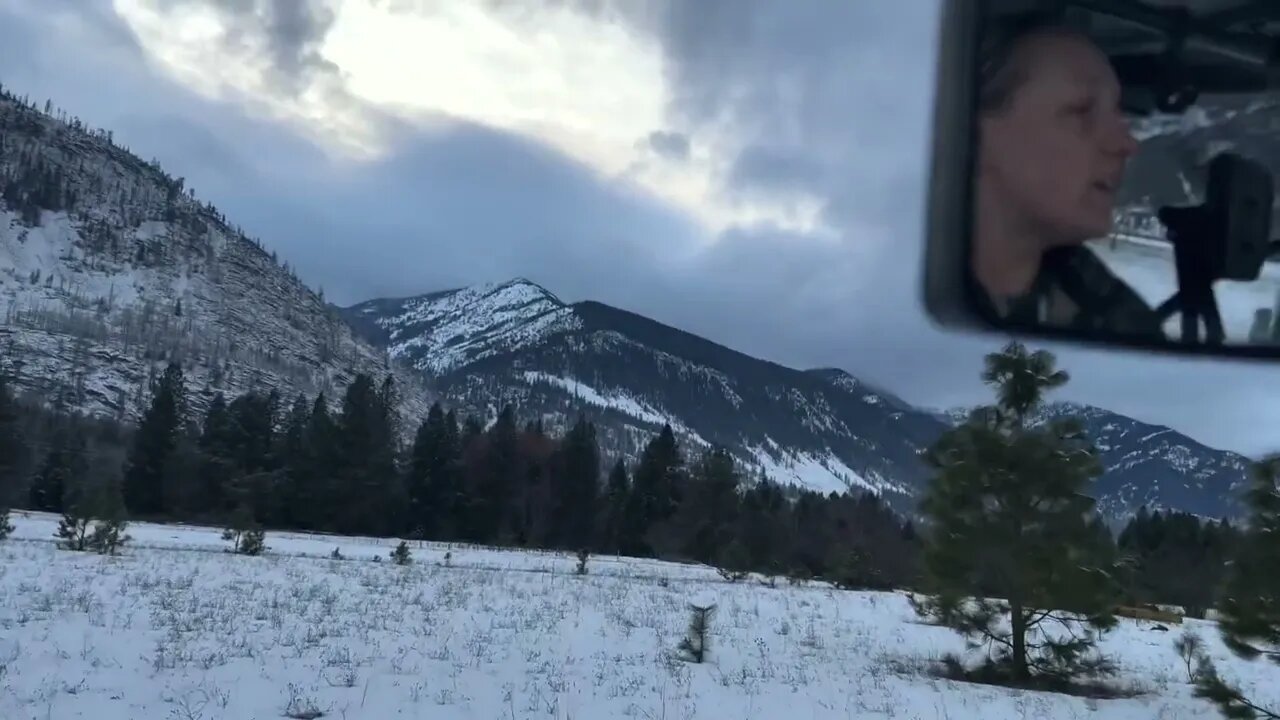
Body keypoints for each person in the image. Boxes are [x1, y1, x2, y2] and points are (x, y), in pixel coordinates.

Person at [971, 14, 1166, 340]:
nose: (1127, 144)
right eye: (1081, 111)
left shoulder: (1120, 322)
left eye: (1118, 112)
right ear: (971, 135)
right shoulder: (873, 305)